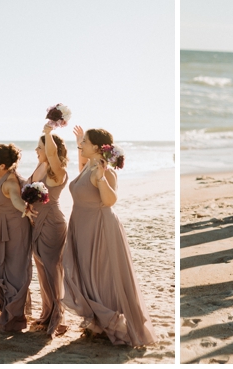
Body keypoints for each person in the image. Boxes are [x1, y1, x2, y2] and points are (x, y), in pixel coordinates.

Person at [61, 128, 156, 346]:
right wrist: (78, 142)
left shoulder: (106, 171)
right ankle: (98, 323)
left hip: (100, 226)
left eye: (84, 142)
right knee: (86, 272)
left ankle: (110, 322)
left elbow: (110, 200)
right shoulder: (88, 166)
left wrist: (101, 179)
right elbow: (82, 175)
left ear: (96, 147)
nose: (80, 144)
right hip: (82, 225)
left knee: (101, 275)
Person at [0, 144, 36, 332]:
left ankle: (15, 317)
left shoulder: (10, 181)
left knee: (15, 270)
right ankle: (6, 310)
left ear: (3, 166)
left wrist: (25, 210)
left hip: (15, 227)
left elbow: (15, 199)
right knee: (1, 267)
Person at [28, 124, 70, 335]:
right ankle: (47, 312)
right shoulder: (39, 167)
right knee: (42, 269)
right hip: (36, 223)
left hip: (52, 222)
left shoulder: (57, 170)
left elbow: (52, 152)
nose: (36, 150)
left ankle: (58, 315)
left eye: (40, 147)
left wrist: (47, 133)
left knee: (53, 269)